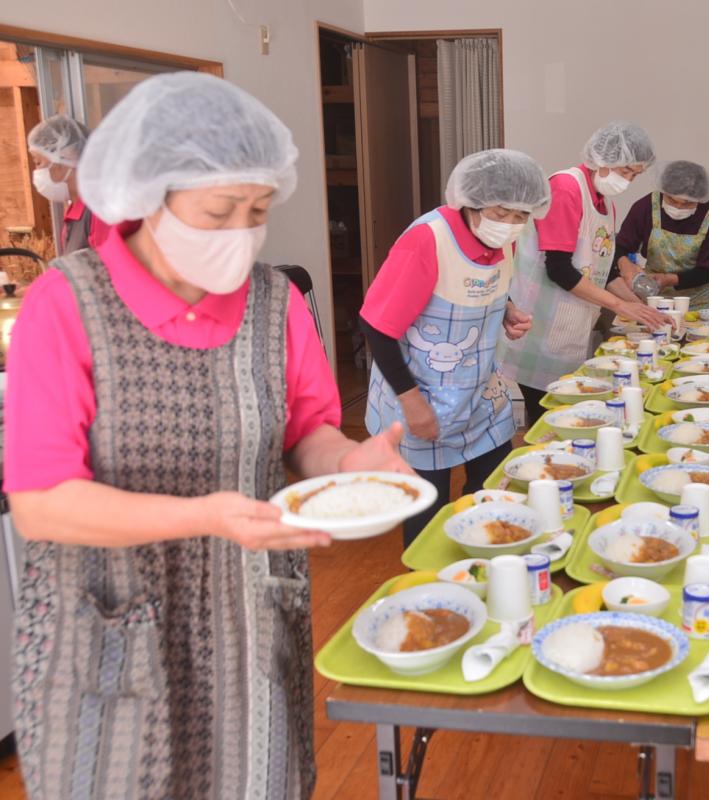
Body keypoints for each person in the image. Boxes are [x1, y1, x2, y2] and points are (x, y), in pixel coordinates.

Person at [4, 72, 413, 799]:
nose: (241, 233)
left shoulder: (273, 302)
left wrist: (353, 462)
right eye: (218, 210)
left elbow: (304, 434)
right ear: (147, 195)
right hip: (107, 627)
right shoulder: (66, 302)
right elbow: (42, 504)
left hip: (245, 625)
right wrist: (204, 517)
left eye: (257, 211)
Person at [361, 149, 550, 542]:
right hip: (419, 393)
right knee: (427, 514)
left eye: (521, 216)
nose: (511, 224)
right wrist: (413, 404)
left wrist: (506, 311)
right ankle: (428, 590)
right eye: (501, 213)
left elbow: (477, 287)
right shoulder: (427, 240)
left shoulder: (503, 240)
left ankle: (479, 565)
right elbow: (378, 327)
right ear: (471, 201)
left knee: (492, 487)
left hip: (478, 392)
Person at [499, 122, 672, 422]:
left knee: (562, 418)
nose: (628, 180)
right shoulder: (566, 188)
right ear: (605, 160)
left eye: (634, 175)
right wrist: (620, 306)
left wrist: (642, 309)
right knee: (549, 421)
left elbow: (601, 272)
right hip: (538, 325)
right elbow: (559, 269)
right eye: (627, 171)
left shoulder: (605, 205)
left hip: (568, 327)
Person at [614, 159, 709, 302]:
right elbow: (619, 247)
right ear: (663, 191)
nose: (679, 207)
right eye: (672, 201)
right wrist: (625, 265)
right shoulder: (646, 207)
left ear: (699, 199)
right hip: (654, 297)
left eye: (687, 203)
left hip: (699, 303)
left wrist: (669, 279)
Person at [27, 114, 110, 253]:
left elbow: (110, 269)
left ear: (66, 157)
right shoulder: (76, 210)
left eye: (38, 162)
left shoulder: (100, 211)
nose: (37, 171)